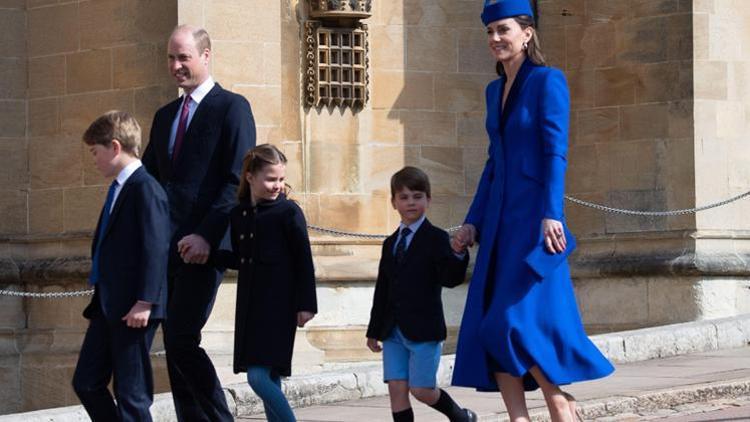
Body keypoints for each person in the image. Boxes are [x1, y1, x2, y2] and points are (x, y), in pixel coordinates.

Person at [451, 1, 614, 421]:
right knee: (490, 324)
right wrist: (473, 220)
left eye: (502, 30)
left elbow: (555, 152)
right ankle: (518, 418)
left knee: (506, 323)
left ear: (527, 32)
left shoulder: (547, 81)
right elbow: (494, 162)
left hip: (534, 224)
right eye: (489, 31)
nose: (494, 39)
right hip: (499, 226)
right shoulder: (493, 92)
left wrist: (552, 213)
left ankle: (558, 400)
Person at [142, 24, 256, 421]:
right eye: (171, 58)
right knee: (173, 344)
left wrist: (206, 235)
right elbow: (150, 182)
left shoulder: (232, 107)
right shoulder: (164, 116)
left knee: (182, 338)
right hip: (165, 249)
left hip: (204, 248)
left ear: (206, 56)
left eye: (184, 57)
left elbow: (235, 179)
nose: (176, 65)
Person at [72, 110, 170, 422]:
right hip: (107, 305)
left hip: (133, 308)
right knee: (86, 381)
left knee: (132, 394)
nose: (94, 159)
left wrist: (145, 300)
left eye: (95, 152)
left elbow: (156, 247)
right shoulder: (119, 188)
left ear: (115, 147)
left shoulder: (145, 188)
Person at [212, 144, 317, 422]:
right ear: (250, 177)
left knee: (258, 376)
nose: (277, 186)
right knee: (269, 375)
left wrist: (307, 305)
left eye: (281, 179)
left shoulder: (288, 213)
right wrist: (208, 255)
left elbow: (303, 261)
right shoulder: (239, 215)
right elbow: (240, 258)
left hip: (279, 306)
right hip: (250, 306)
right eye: (271, 179)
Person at [366, 166, 478, 422]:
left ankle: (460, 417)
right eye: (403, 197)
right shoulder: (390, 243)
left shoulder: (436, 238)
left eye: (417, 196)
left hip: (424, 330)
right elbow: (383, 288)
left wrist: (458, 252)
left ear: (428, 199)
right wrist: (374, 330)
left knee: (421, 390)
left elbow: (450, 279)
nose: (411, 202)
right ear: (393, 202)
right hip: (392, 329)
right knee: (396, 389)